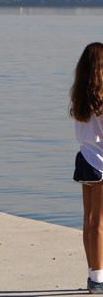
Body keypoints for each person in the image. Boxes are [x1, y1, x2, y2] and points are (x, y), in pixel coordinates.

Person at [70, 42, 103, 295]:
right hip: (101, 163)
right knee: (99, 223)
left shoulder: (80, 97)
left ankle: (93, 275)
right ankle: (98, 278)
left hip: (85, 160)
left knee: (89, 221)